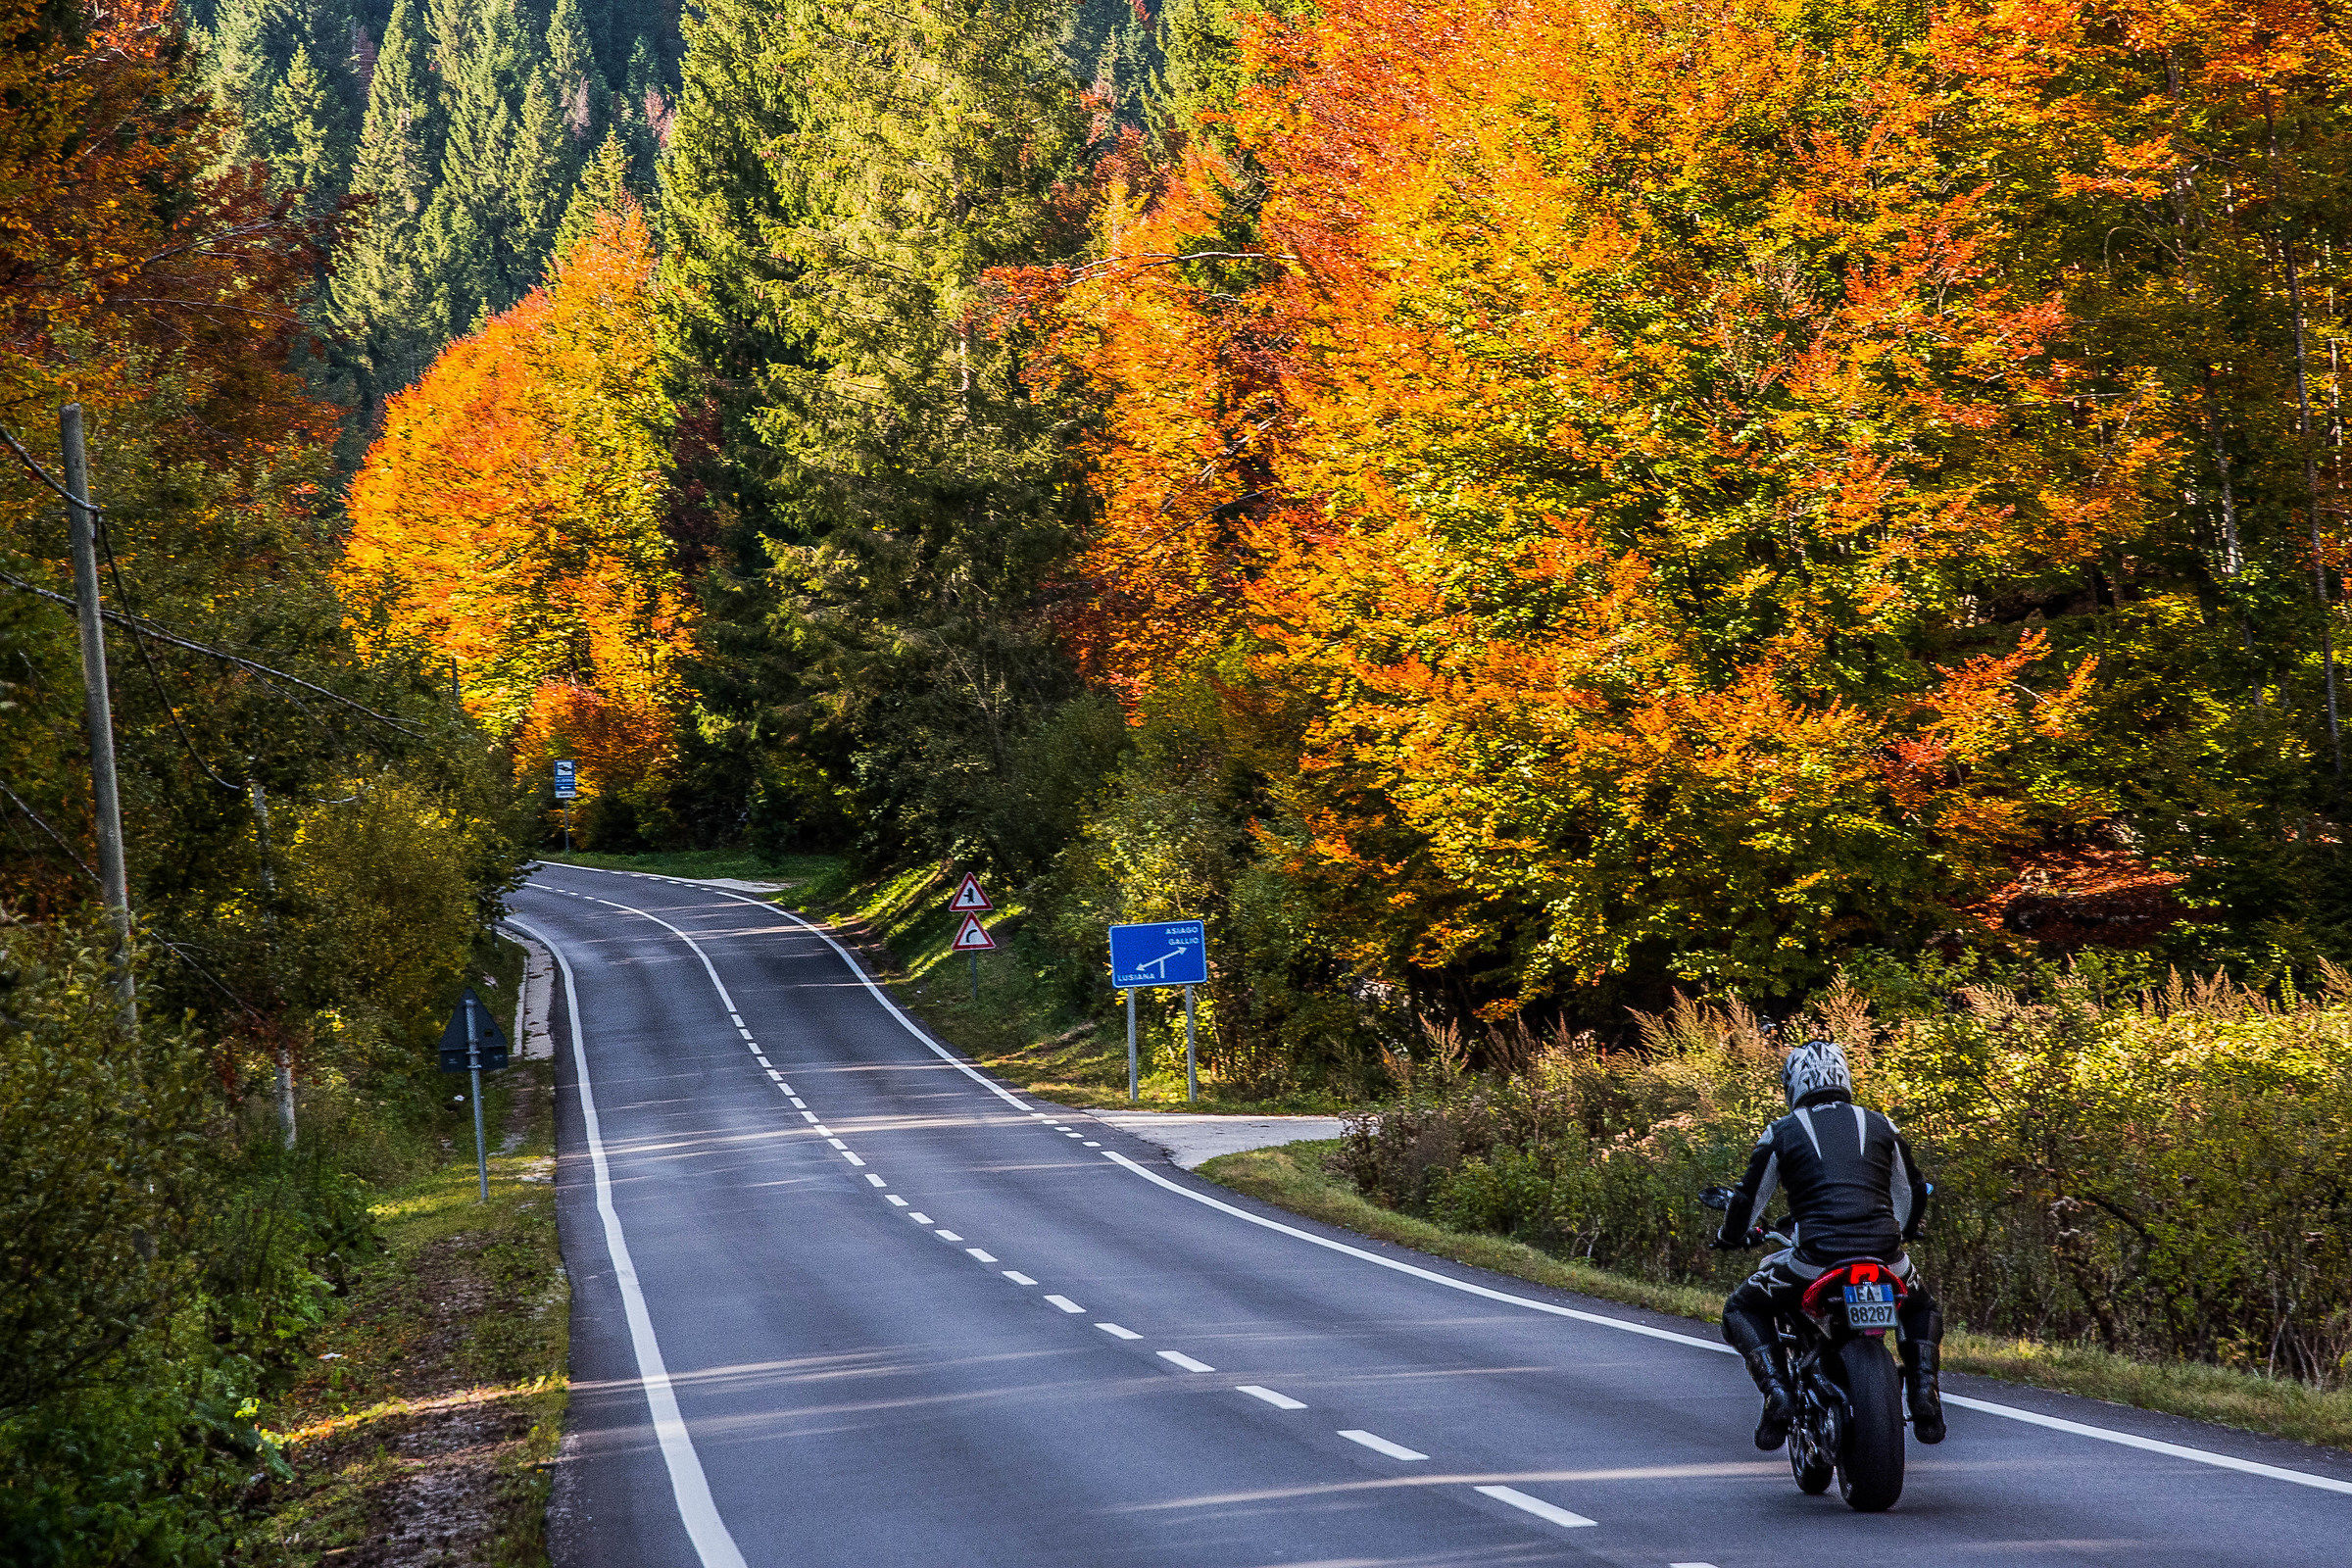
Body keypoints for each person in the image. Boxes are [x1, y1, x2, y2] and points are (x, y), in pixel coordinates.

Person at [1713, 1038, 1944, 1449]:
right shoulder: (1880, 1124)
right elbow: (1911, 1190)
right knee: (1921, 1304)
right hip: (1887, 1257)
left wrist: (1729, 1236)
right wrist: (1905, 1231)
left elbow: (1749, 1200)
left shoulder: (1782, 1132)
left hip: (1814, 1261)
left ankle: (1777, 1391)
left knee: (1741, 1306)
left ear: (1792, 1085)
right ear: (1845, 1077)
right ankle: (1924, 1389)